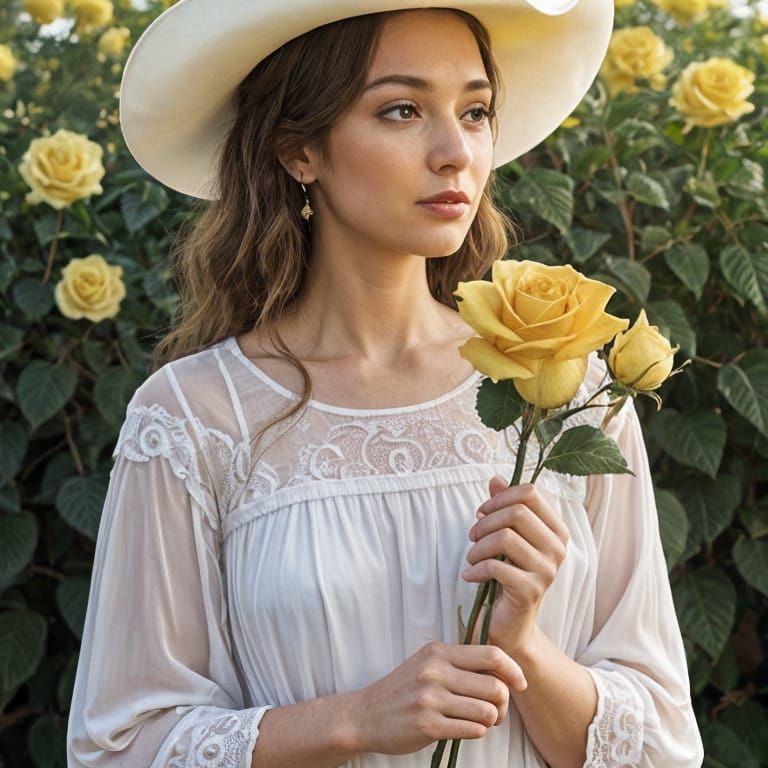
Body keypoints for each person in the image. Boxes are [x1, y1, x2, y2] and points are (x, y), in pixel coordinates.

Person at [66, 0, 705, 766]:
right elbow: (119, 747)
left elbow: (666, 746)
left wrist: (524, 649)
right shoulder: (196, 416)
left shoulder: (565, 392)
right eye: (402, 110)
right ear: (299, 149)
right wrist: (355, 720)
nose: (454, 152)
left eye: (474, 111)